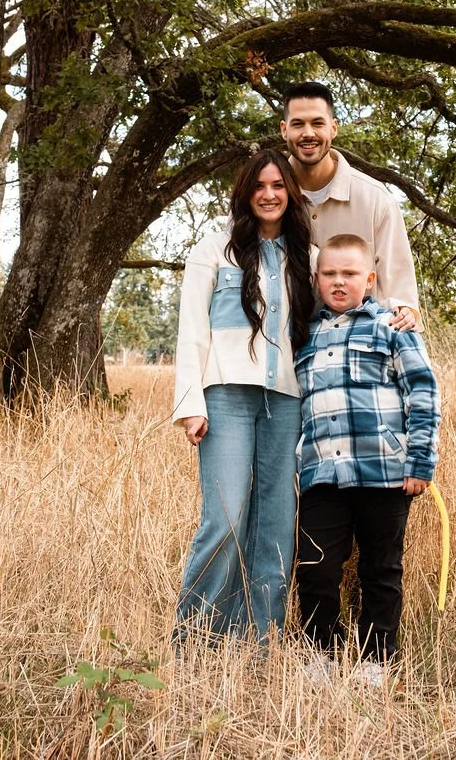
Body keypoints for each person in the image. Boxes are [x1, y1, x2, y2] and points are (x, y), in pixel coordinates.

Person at [173, 149, 316, 639]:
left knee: (276, 523)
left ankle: (260, 642)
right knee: (227, 519)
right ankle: (198, 639)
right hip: (226, 398)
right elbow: (192, 330)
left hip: (287, 402)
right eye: (259, 185)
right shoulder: (214, 249)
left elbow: (349, 297)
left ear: (290, 193)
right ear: (245, 192)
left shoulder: (309, 258)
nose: (269, 194)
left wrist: (399, 310)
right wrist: (191, 404)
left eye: (278, 186)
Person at [294, 233, 440, 673]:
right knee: (316, 566)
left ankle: (376, 660)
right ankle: (322, 655)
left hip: (384, 472)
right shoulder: (304, 336)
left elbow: (423, 394)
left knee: (381, 568)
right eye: (329, 274)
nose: (339, 282)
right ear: (316, 279)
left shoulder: (392, 327)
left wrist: (419, 461)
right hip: (323, 475)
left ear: (370, 279)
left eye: (349, 273)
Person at [280, 81, 421, 328]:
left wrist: (405, 314)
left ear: (333, 128)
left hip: (362, 345)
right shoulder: (263, 199)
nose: (308, 133)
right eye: (298, 124)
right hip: (284, 345)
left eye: (318, 123)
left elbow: (402, 303)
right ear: (284, 130)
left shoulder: (376, 200)